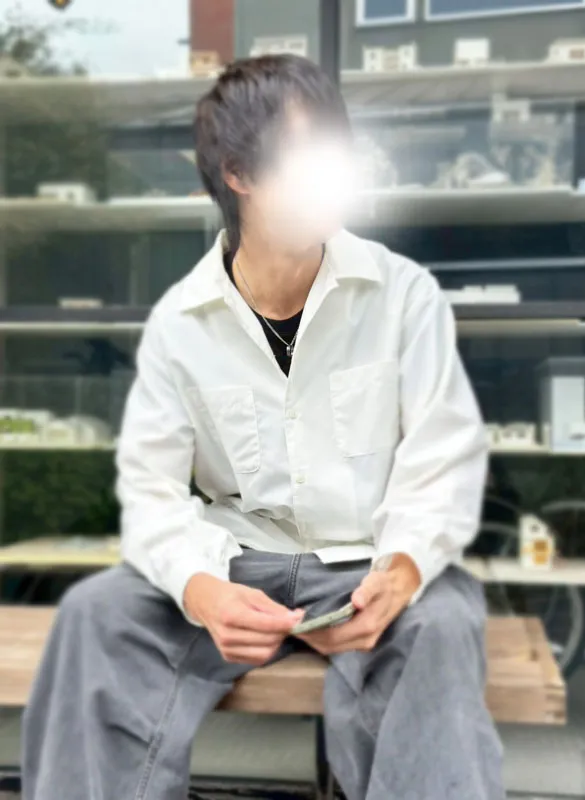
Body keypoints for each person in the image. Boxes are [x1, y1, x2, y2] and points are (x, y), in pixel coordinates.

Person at [22, 55, 504, 800]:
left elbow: (443, 458)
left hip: (373, 560)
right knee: (96, 615)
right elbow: (150, 493)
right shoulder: (180, 324)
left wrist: (405, 568)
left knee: (440, 625)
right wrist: (201, 591)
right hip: (239, 565)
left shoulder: (403, 295)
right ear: (238, 173)